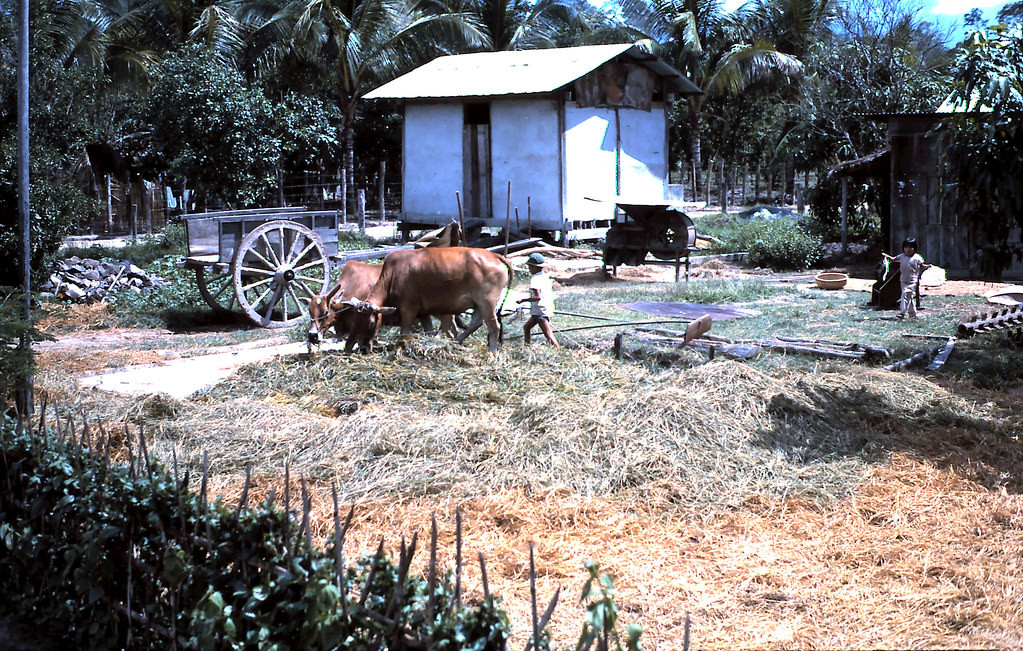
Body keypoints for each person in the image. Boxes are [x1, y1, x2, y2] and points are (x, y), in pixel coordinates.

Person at [517, 252, 560, 347]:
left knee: (548, 335)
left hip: (541, 312)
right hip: (543, 309)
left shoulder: (535, 280)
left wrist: (523, 300)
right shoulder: (545, 276)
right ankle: (526, 347)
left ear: (535, 267)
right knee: (527, 327)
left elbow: (538, 297)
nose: (529, 269)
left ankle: (558, 349)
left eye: (530, 267)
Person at [883, 238, 931, 319]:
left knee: (905, 294)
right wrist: (887, 257)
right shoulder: (902, 256)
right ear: (903, 248)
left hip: (912, 281)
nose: (908, 249)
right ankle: (912, 314)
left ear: (914, 248)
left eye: (911, 247)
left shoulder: (917, 257)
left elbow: (922, 265)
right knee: (909, 297)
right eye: (906, 247)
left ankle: (902, 312)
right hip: (903, 280)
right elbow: (893, 259)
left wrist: (928, 266)